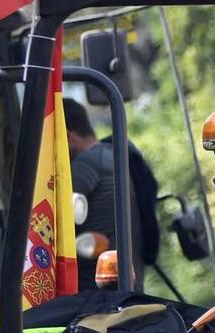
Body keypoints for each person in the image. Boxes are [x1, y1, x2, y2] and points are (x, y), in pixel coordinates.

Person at [64, 98, 161, 268]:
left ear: (66, 136)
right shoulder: (114, 156)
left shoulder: (86, 163)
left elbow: (50, 219)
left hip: (93, 289)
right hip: (127, 284)